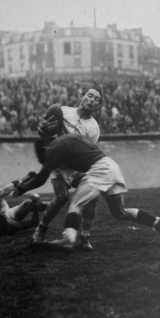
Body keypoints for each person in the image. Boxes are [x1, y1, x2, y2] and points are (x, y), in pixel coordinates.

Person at [13, 134, 160, 251]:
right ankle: (158, 223)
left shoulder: (55, 149)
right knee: (119, 212)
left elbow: (41, 178)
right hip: (112, 166)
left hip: (100, 169)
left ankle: (69, 239)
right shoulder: (69, 142)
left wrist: (23, 187)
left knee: (75, 204)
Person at [32, 81, 103, 250]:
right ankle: (41, 228)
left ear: (98, 105)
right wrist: (42, 129)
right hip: (58, 166)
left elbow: (86, 155)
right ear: (82, 96)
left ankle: (85, 237)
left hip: (75, 167)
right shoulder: (62, 112)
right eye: (90, 95)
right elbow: (44, 134)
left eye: (96, 99)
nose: (92, 99)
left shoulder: (94, 128)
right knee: (62, 197)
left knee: (92, 195)